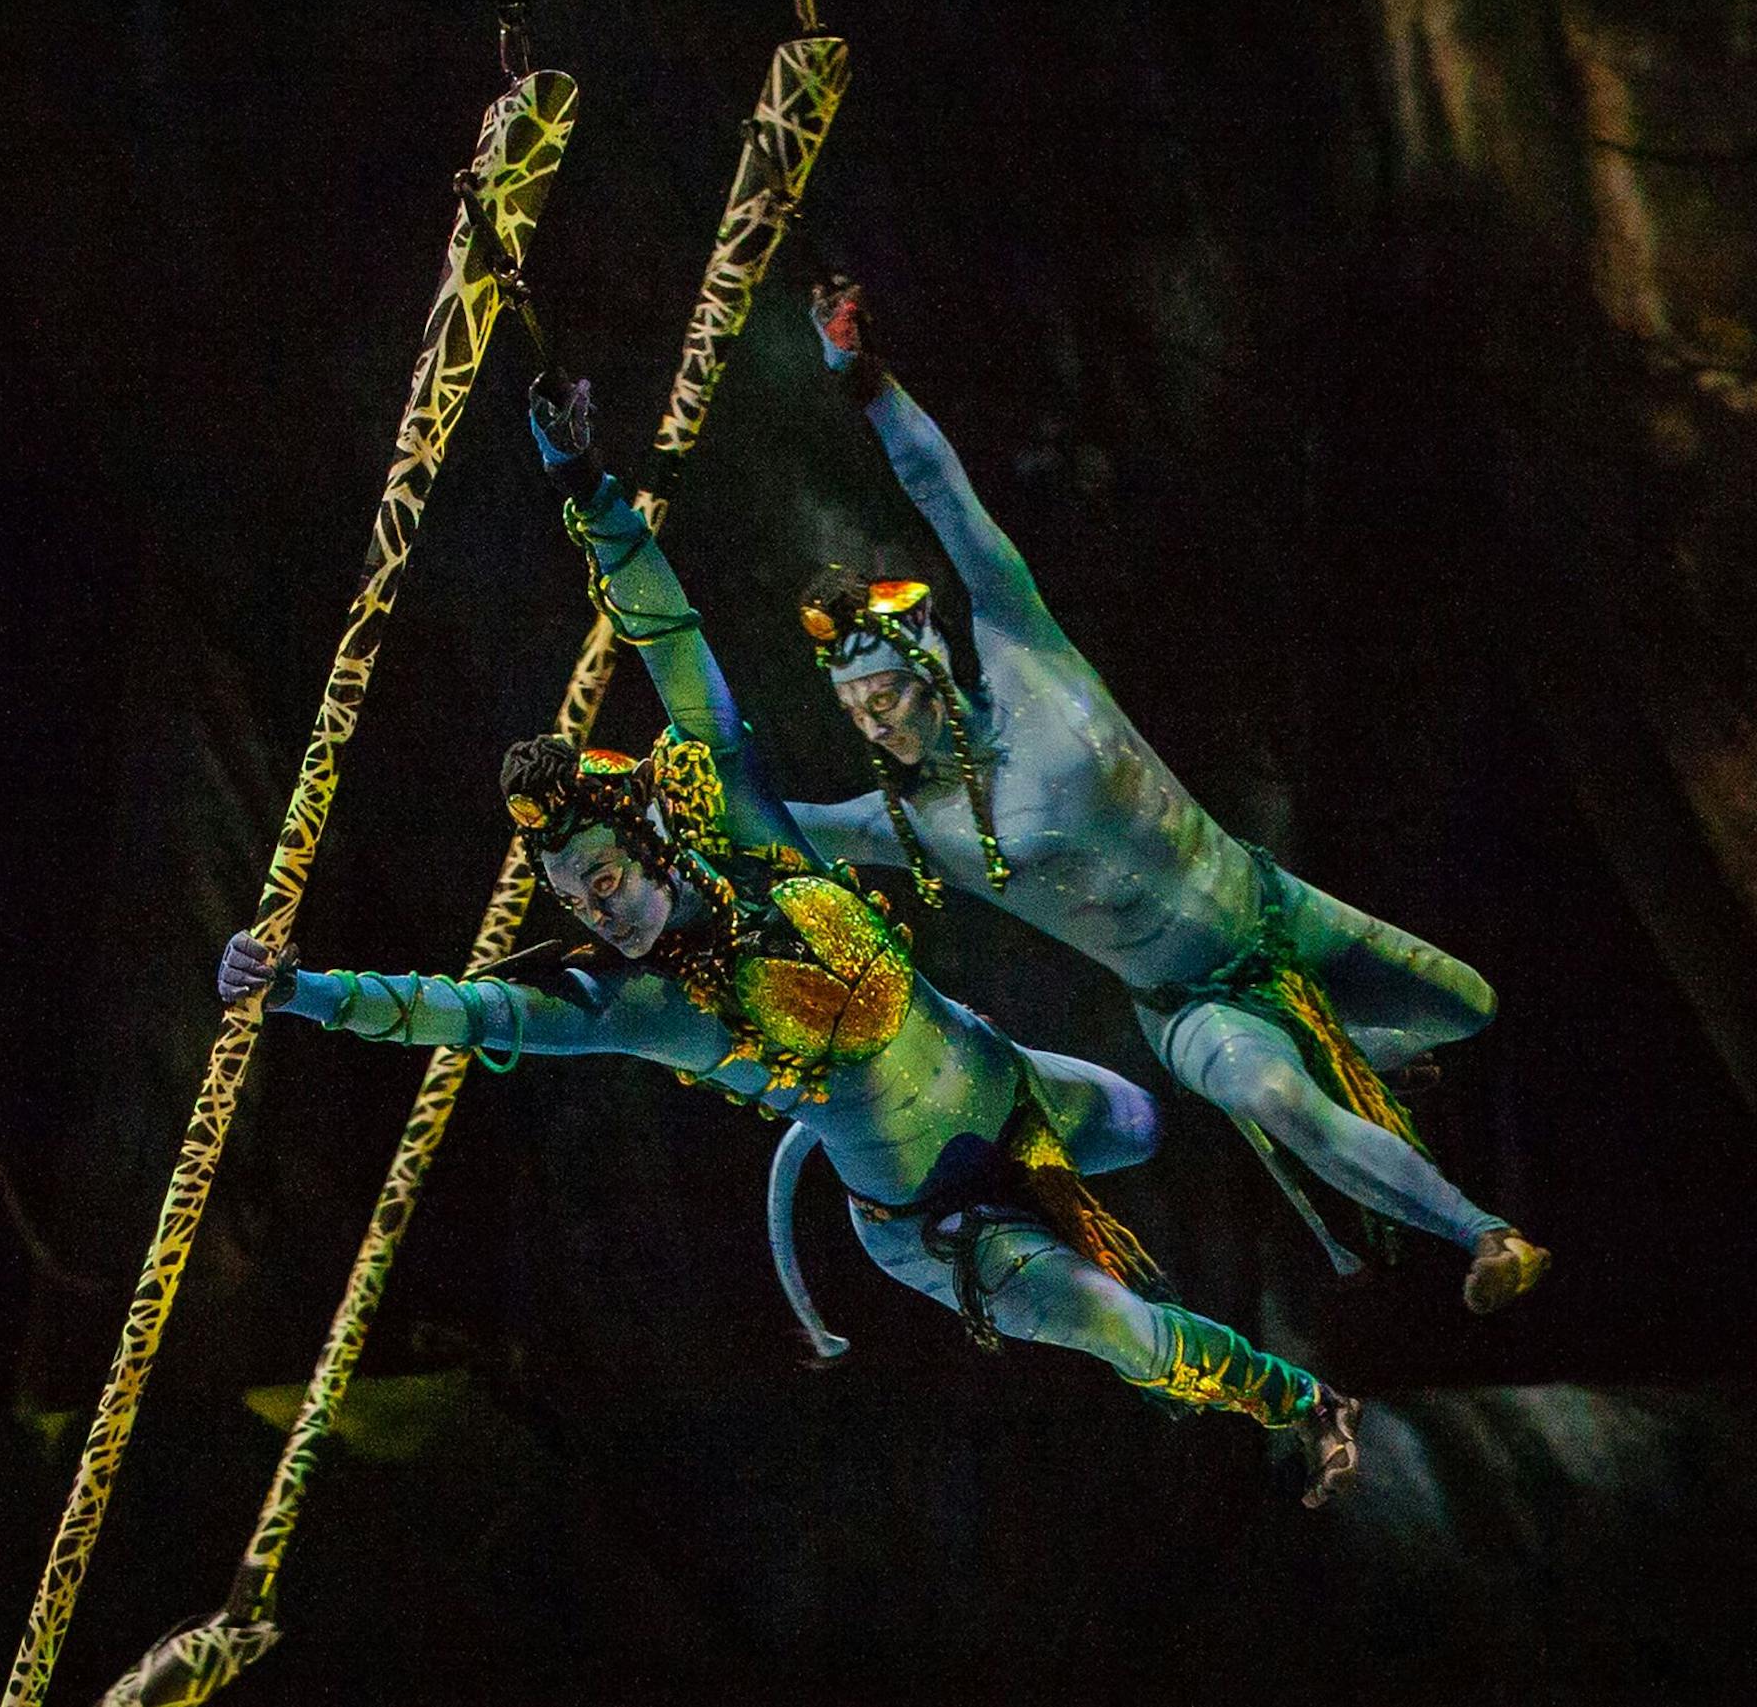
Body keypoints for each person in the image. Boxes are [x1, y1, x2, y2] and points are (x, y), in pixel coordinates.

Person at [214, 380, 1365, 1506]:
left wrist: (588, 487)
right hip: (934, 1227)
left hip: (1015, 1094)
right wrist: (300, 990)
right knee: (1117, 1323)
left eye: (603, 878)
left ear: (654, 842)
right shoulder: (639, 1006)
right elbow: (466, 1011)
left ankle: (1335, 1102)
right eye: (574, 899)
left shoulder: (749, 829)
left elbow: (670, 638)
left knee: (1149, 1120)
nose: (596, 911)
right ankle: (1302, 1401)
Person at [780, 278, 1548, 1314]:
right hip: (1190, 1005)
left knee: (1467, 1004)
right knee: (1272, 1095)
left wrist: (866, 382)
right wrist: (647, 780)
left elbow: (946, 498)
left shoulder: (1025, 652)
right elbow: (765, 817)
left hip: (1270, 910)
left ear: (931, 668)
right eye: (854, 714)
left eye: (883, 699)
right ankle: (1486, 1237)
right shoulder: (915, 825)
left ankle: (1362, 1050)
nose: (874, 728)